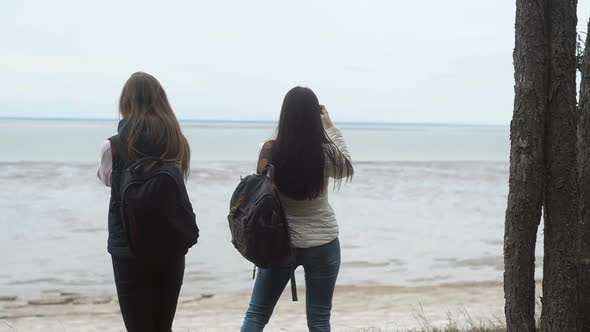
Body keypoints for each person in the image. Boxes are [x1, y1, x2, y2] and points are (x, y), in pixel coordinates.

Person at [241, 86, 354, 332]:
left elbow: (263, 190)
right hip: (323, 243)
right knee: (320, 320)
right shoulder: (325, 151)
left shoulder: (269, 149)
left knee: (257, 314)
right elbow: (346, 169)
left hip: (280, 244)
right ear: (315, 116)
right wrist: (331, 128)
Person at [97, 72, 192, 332]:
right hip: (170, 243)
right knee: (163, 325)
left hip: (128, 247)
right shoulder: (176, 142)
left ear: (126, 102)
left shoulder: (112, 146)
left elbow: (107, 180)